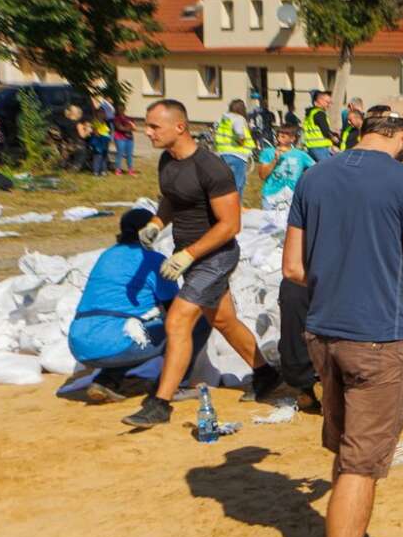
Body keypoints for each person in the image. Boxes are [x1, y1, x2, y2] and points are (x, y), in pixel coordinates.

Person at [283, 112, 403, 537]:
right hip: (377, 337)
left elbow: (293, 268)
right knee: (361, 464)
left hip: (323, 331)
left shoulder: (314, 174)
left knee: (348, 445)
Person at [120, 100, 282, 426]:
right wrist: (156, 223)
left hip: (216, 256)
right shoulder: (168, 160)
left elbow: (230, 225)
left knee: (178, 320)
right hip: (190, 255)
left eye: (154, 126)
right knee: (223, 321)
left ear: (179, 127)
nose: (146, 131)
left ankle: (161, 403)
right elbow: (173, 197)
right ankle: (265, 374)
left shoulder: (211, 168)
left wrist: (188, 255)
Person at [67, 209, 191, 404]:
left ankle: (105, 381)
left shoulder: (107, 255)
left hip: (78, 341)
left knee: (127, 330)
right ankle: (174, 385)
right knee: (185, 326)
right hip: (113, 342)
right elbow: (175, 308)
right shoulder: (153, 260)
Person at [254, 124, 315, 211]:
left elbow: (316, 169)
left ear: (293, 138)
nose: (281, 135)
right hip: (271, 197)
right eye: (279, 133)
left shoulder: (300, 155)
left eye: (285, 133)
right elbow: (262, 175)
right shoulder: (268, 152)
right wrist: (275, 160)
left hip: (292, 198)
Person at [302, 90, 339, 162]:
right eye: (327, 102)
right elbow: (325, 131)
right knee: (327, 167)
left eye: (330, 103)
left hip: (310, 146)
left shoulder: (310, 113)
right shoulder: (320, 113)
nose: (328, 105)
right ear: (319, 101)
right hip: (320, 147)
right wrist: (334, 139)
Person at [110, 108, 137, 176]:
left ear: (124, 109)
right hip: (119, 138)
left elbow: (135, 128)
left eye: (122, 108)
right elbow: (119, 128)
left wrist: (129, 127)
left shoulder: (129, 118)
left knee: (129, 154)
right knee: (120, 153)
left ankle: (130, 170)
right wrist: (129, 127)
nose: (120, 110)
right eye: (119, 108)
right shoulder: (116, 119)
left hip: (129, 138)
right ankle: (118, 169)